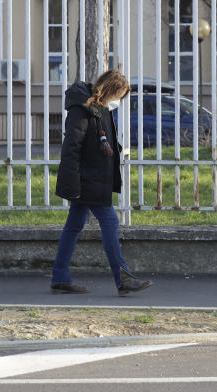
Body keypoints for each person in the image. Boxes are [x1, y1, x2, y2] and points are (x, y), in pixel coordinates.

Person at [51, 69, 153, 296]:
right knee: (110, 224)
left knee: (73, 227)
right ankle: (123, 278)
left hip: (95, 178)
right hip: (89, 180)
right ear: (109, 90)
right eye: (118, 95)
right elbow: (71, 149)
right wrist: (72, 185)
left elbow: (97, 140)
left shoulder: (99, 109)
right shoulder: (82, 110)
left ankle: (59, 276)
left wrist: (115, 150)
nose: (118, 100)